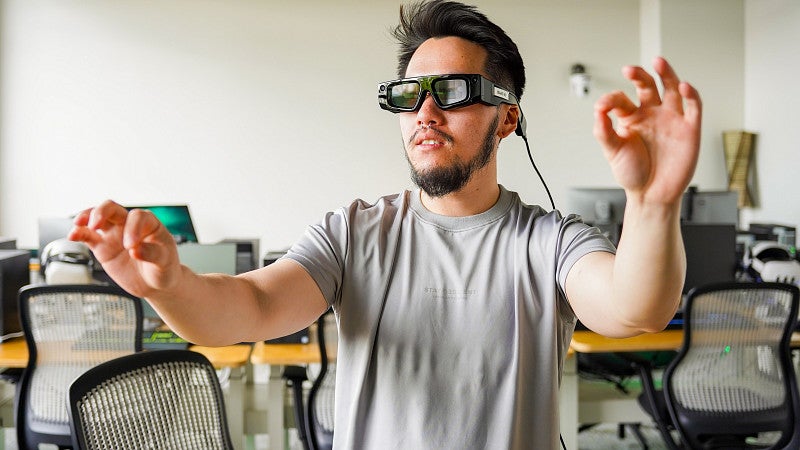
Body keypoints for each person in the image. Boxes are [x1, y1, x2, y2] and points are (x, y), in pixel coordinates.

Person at [69, 1, 701, 448]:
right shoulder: (353, 233)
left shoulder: (548, 241)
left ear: (507, 120)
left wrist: (653, 201)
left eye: (453, 91)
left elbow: (635, 307)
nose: (425, 110)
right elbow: (251, 308)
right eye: (408, 93)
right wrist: (170, 285)